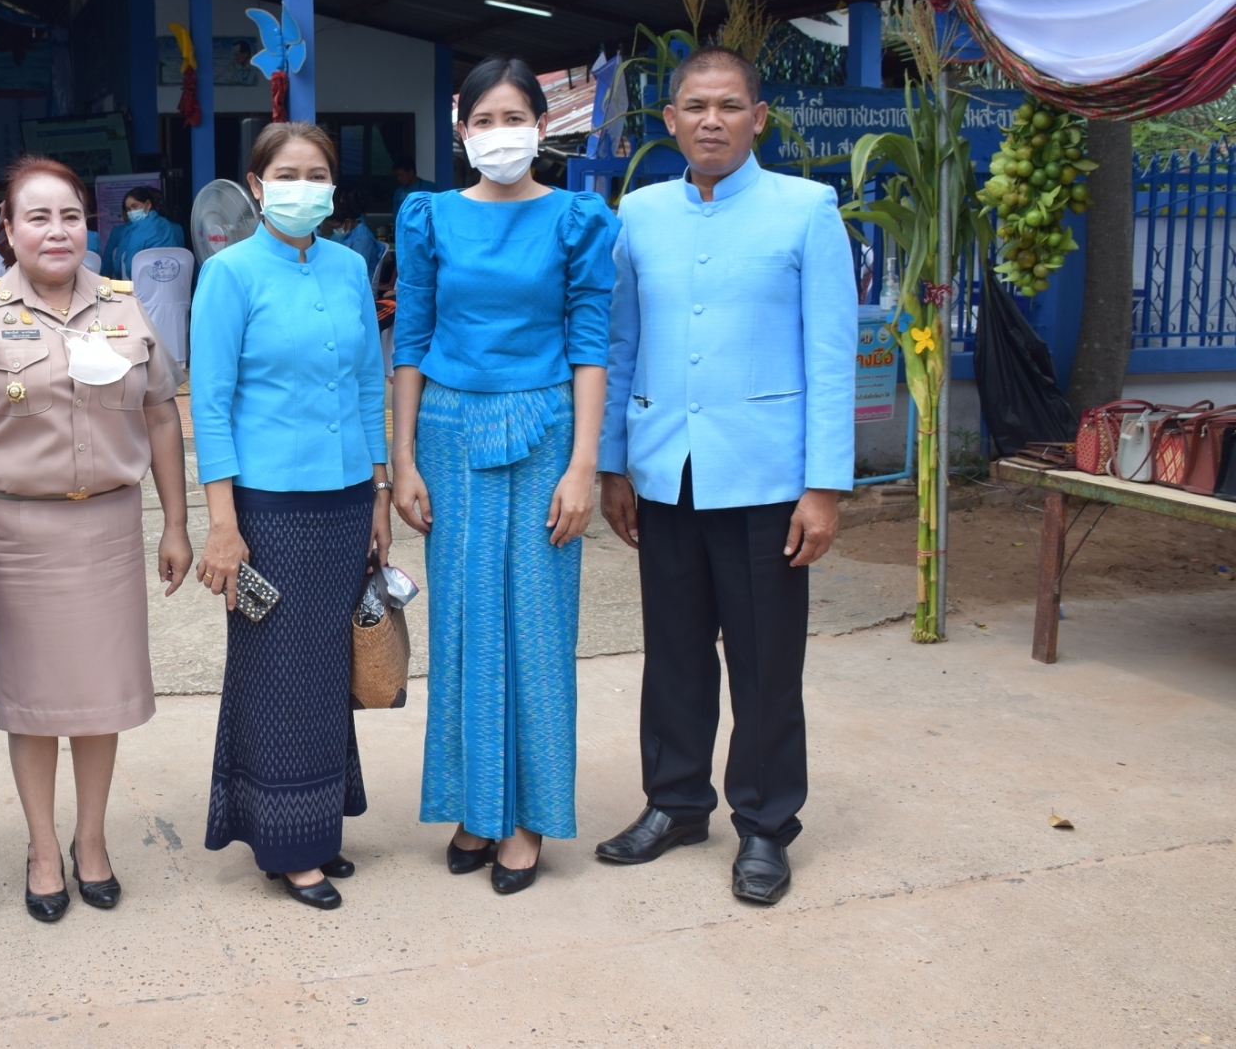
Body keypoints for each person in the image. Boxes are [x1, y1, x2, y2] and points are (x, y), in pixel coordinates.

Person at [594, 45, 854, 906]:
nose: (712, 120)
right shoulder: (639, 213)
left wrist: (825, 485)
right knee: (671, 655)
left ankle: (766, 825)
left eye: (729, 105)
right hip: (666, 469)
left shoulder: (807, 210)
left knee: (764, 661)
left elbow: (832, 355)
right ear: (669, 121)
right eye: (695, 106)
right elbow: (622, 342)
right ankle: (673, 803)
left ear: (758, 118)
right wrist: (613, 464)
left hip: (768, 477)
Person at [0, 155, 192, 924]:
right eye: (36, 216)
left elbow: (162, 414)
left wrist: (176, 522)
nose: (56, 230)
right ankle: (44, 847)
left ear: (91, 226)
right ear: (6, 230)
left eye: (70, 215)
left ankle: (92, 839)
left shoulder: (123, 305)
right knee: (35, 701)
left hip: (108, 526)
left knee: (100, 697)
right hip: (18, 529)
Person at [390, 58, 618, 896]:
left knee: (537, 624)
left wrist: (585, 465)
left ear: (543, 125)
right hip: (449, 429)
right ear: (461, 130)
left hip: (549, 427)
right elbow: (409, 338)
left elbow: (590, 340)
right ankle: (475, 807)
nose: (499, 134)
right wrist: (403, 460)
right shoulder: (430, 218)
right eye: (484, 120)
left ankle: (526, 820)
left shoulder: (577, 219)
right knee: (463, 621)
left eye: (514, 116)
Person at [190, 121, 391, 911]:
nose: (304, 185)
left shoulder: (349, 268)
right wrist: (222, 521)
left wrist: (379, 496)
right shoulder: (230, 275)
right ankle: (283, 841)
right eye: (288, 172)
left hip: (345, 500)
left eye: (319, 173)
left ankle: (319, 823)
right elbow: (209, 404)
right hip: (267, 506)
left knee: (327, 668)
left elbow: (369, 384)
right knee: (278, 669)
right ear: (257, 182)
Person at [99, 185, 185, 279]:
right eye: (128, 210)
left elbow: (126, 267)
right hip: (174, 286)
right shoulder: (171, 226)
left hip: (144, 289)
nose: (131, 212)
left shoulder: (136, 228)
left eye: (135, 206)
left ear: (148, 204)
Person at [320, 199, 385, 283]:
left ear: (348, 222)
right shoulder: (351, 233)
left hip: (359, 284)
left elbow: (357, 269)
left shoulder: (361, 238)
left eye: (336, 227)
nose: (335, 230)